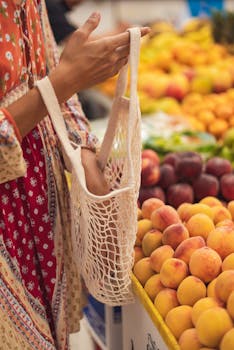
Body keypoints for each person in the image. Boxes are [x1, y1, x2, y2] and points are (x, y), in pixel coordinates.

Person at [0, 1, 150, 349]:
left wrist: (81, 148)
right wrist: (68, 80)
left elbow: (48, 72)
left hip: (41, 212)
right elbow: (55, 83)